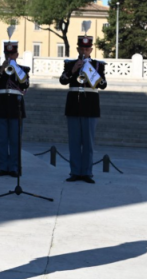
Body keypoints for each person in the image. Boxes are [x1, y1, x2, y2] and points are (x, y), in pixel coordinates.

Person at [59, 36, 108, 184]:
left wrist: (90, 70)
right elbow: (63, 80)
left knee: (88, 143)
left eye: (87, 49)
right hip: (74, 106)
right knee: (74, 142)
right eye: (82, 49)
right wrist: (74, 70)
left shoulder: (98, 65)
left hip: (90, 106)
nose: (84, 51)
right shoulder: (70, 64)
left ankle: (87, 172)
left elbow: (103, 84)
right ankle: (75, 172)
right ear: (78, 49)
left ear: (91, 50)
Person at [0, 42, 30, 177]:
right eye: (7, 54)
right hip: (1, 106)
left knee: (15, 139)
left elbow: (25, 84)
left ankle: (14, 167)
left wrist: (16, 69)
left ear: (17, 55)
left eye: (12, 54)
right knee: (1, 139)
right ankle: (2, 167)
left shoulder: (23, 69)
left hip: (16, 107)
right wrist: (1, 71)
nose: (9, 56)